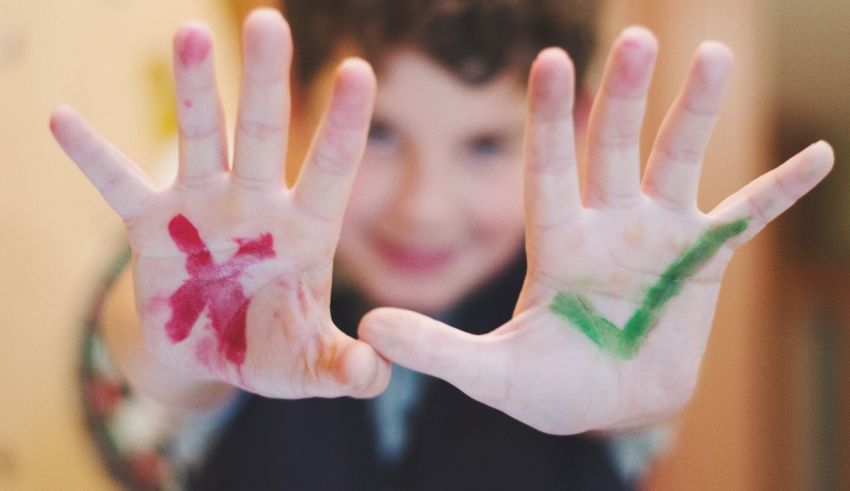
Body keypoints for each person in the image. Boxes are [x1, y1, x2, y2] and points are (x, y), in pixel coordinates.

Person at [51, 1, 834, 489]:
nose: (425, 209)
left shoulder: (589, 314)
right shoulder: (244, 285)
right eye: (379, 131)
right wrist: (175, 354)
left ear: (569, 129)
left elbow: (623, 427)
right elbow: (154, 396)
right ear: (293, 111)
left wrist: (628, 412)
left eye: (487, 144)